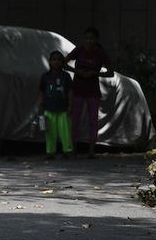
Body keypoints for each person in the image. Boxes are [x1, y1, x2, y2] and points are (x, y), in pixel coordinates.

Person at [64, 26, 114, 158]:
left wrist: (95, 73)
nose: (89, 41)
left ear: (96, 40)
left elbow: (110, 73)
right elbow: (64, 63)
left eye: (91, 39)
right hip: (78, 88)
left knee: (93, 120)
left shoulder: (100, 53)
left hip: (93, 89)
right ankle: (73, 148)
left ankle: (91, 149)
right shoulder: (79, 49)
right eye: (86, 38)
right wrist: (77, 71)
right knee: (75, 119)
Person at [38, 50, 74, 160]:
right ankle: (50, 152)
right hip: (49, 108)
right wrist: (41, 101)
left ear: (62, 62)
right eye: (54, 59)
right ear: (50, 62)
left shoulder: (66, 76)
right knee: (50, 132)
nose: (56, 62)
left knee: (65, 131)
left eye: (59, 59)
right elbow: (42, 91)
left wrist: (70, 105)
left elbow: (70, 91)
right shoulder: (45, 76)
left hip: (63, 108)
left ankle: (67, 151)